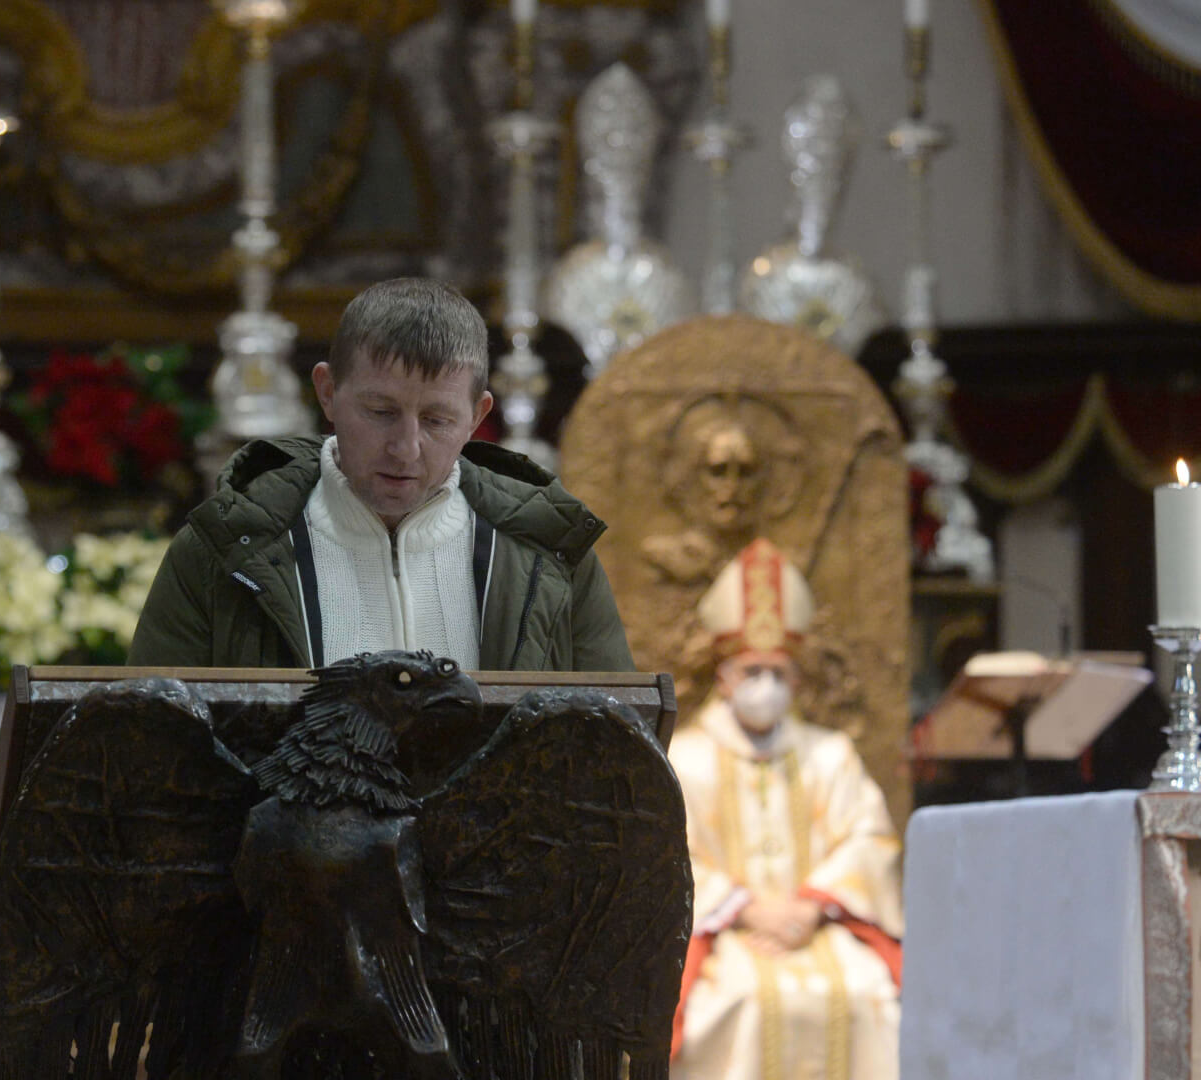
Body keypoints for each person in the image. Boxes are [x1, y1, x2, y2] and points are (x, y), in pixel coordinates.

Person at [128, 277, 634, 672]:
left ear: (477, 416)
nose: (405, 448)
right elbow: (149, 749)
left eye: (437, 420)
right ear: (328, 392)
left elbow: (616, 754)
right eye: (380, 412)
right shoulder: (220, 550)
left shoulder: (553, 555)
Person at [667, 538, 902, 1080]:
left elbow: (869, 839)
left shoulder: (829, 753)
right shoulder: (687, 758)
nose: (766, 686)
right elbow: (667, 858)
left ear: (797, 680)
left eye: (779, 673)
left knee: (868, 993)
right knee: (739, 1002)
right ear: (724, 677)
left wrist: (811, 908)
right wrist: (747, 909)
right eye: (752, 671)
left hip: (817, 926)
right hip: (725, 932)